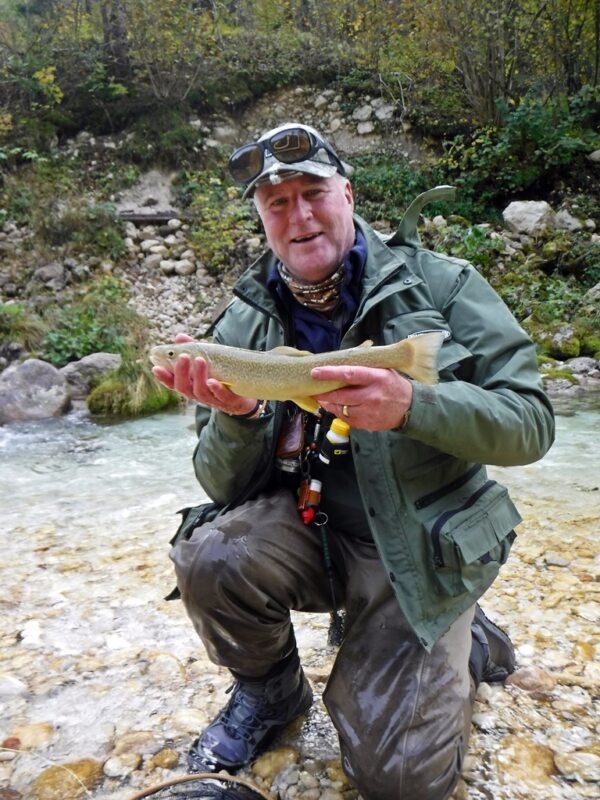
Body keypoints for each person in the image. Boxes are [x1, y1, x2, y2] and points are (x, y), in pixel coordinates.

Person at [152, 122, 555, 800]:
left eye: (313, 193)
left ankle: (468, 637)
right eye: (277, 203)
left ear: (347, 194)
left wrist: (413, 406)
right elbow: (221, 487)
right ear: (262, 219)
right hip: (314, 537)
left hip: (420, 552)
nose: (299, 216)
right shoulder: (241, 324)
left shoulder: (445, 287)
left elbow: (532, 425)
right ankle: (271, 695)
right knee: (209, 554)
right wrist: (239, 417)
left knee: (397, 781)